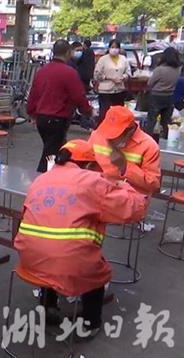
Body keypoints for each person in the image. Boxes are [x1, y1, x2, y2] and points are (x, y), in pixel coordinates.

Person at [14, 140, 147, 336]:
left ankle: (48, 305)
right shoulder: (93, 182)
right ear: (87, 164)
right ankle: (89, 323)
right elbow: (135, 209)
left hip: (28, 258)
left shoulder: (41, 179)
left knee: (51, 251)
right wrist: (123, 184)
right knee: (97, 271)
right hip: (70, 263)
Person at [27, 39, 93, 173]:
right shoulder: (69, 72)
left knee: (55, 150)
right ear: (68, 52)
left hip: (42, 119)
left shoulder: (42, 71)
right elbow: (78, 96)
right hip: (58, 118)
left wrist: (32, 113)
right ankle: (42, 181)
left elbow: (34, 94)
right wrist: (87, 111)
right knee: (50, 154)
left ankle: (54, 176)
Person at [89, 106, 161, 195]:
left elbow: (154, 185)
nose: (108, 138)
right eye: (107, 131)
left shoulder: (149, 146)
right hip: (98, 192)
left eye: (114, 135)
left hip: (129, 199)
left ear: (130, 131)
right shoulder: (97, 135)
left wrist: (125, 166)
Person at [143, 47, 182, 138]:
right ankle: (165, 139)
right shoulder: (178, 69)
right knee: (165, 121)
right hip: (169, 96)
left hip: (156, 96)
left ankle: (148, 139)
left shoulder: (159, 69)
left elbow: (150, 83)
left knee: (151, 120)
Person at [94, 39, 131, 124]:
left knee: (118, 114)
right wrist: (109, 78)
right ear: (109, 48)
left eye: (116, 47)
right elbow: (96, 75)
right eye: (112, 47)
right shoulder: (103, 59)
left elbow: (128, 73)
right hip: (105, 91)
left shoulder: (123, 59)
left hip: (119, 90)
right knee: (104, 114)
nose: (114, 49)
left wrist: (123, 77)